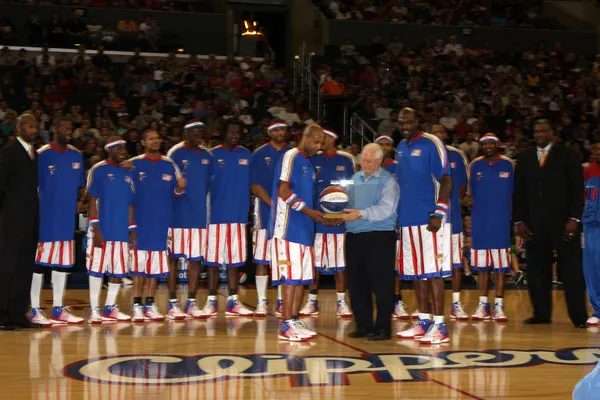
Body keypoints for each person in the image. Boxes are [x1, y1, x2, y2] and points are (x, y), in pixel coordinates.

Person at [513, 119, 587, 327]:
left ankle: (579, 317)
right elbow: (518, 193)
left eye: (544, 131)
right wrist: (519, 220)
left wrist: (574, 219)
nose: (539, 134)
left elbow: (576, 189)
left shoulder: (568, 154)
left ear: (552, 132)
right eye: (536, 131)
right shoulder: (525, 158)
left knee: (571, 271)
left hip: (564, 223)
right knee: (537, 270)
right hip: (534, 225)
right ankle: (541, 314)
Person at [395, 108, 453, 344]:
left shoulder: (432, 143)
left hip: (430, 219)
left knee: (434, 272)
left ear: (420, 120)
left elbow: (447, 179)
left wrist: (439, 212)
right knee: (417, 273)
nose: (405, 125)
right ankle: (424, 320)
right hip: (407, 219)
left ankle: (440, 325)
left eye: (409, 120)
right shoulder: (400, 147)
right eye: (401, 122)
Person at [269, 124, 327, 341]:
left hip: (304, 228)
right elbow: (283, 190)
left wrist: (319, 214)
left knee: (300, 278)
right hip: (287, 227)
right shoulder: (291, 156)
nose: (318, 146)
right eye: (316, 141)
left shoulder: (309, 164)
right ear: (305, 136)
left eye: (322, 143)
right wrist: (309, 212)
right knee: (290, 278)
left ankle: (293, 319)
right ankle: (285, 324)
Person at [342, 143, 399, 340]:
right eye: (363, 160)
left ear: (380, 161)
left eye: (369, 161)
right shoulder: (354, 179)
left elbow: (386, 209)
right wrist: (335, 212)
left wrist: (359, 214)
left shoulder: (388, 181)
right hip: (354, 237)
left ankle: (383, 328)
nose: (364, 164)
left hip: (380, 237)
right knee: (357, 284)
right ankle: (363, 326)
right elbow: (344, 202)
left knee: (381, 284)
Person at [30, 117, 85, 326]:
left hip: (65, 220)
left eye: (70, 127)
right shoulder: (42, 155)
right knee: (39, 265)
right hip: (45, 220)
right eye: (64, 126)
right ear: (54, 129)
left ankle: (58, 309)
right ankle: (34, 309)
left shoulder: (76, 156)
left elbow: (79, 188)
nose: (68, 130)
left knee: (62, 265)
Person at [128, 129, 187, 322]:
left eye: (157, 138)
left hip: (161, 222)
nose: (155, 141)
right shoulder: (134, 164)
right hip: (140, 222)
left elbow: (176, 194)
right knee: (138, 266)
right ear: (143, 142)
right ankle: (136, 304)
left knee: (154, 266)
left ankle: (150, 304)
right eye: (151, 138)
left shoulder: (170, 165)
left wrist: (179, 187)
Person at [199, 119, 254, 317]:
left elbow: (253, 185)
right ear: (224, 133)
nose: (235, 134)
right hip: (215, 217)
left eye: (238, 132)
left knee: (234, 262)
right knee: (213, 262)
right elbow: (201, 185)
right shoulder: (212, 155)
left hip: (238, 217)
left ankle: (233, 301)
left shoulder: (246, 155)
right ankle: (211, 300)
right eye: (231, 131)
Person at [301, 128, 355, 317]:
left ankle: (341, 302)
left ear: (334, 138)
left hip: (339, 219)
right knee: (315, 263)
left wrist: (345, 215)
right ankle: (312, 301)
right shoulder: (312, 159)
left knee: (340, 262)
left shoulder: (346, 159)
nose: (322, 141)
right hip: (317, 219)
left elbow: (352, 190)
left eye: (326, 138)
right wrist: (313, 214)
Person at [85, 137, 135, 324]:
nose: (123, 150)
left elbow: (131, 203)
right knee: (96, 270)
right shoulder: (98, 169)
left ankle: (110, 308)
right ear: (109, 150)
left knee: (118, 271)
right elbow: (91, 200)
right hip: (102, 229)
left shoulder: (128, 173)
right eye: (119, 147)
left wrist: (132, 229)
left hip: (121, 230)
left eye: (124, 146)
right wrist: (95, 228)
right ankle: (94, 309)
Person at [166, 121, 212, 319]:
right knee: (173, 258)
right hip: (176, 216)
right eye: (192, 132)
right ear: (184, 133)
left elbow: (209, 185)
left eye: (199, 132)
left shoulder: (207, 155)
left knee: (195, 260)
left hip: (198, 216)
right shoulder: (174, 154)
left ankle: (191, 302)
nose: (197, 135)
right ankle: (172, 302)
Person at [0, 113, 41, 330]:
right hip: (11, 221)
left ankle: (18, 314)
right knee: (8, 267)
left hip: (29, 221)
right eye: (29, 126)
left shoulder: (34, 153)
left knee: (25, 267)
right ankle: (3, 315)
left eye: (35, 126)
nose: (33, 130)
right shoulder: (9, 152)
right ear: (18, 128)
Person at [468, 133, 513, 322]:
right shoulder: (475, 165)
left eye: (491, 143)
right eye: (484, 143)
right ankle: (483, 305)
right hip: (480, 221)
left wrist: (512, 220)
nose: (488, 146)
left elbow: (513, 196)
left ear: (498, 145)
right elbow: (470, 196)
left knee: (500, 268)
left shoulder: (508, 164)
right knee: (482, 268)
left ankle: (499, 306)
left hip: (501, 221)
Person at [250, 120, 289, 317]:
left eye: (282, 129)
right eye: (276, 130)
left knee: (283, 257)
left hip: (287, 212)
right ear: (269, 132)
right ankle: (261, 301)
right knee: (261, 258)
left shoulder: (292, 153)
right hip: (265, 211)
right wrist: (273, 204)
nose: (279, 132)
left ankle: (282, 300)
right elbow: (254, 185)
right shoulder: (259, 153)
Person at [432, 123, 470, 320]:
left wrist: (451, 204)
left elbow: (463, 187)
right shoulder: (427, 152)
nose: (438, 135)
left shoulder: (457, 155)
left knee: (456, 263)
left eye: (441, 132)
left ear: (445, 135)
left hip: (452, 218)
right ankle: (430, 305)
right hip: (430, 219)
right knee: (429, 264)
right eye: (435, 132)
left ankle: (456, 303)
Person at [583, 143, 600, 326]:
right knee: (593, 268)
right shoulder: (587, 171)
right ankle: (598, 310)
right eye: (595, 150)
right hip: (592, 225)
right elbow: (582, 197)